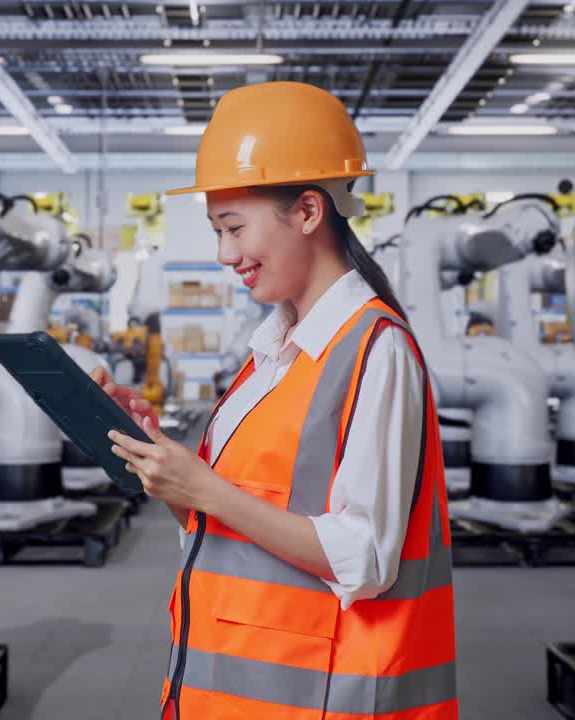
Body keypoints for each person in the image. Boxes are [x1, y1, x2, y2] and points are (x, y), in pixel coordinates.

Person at [96, 81, 457, 719]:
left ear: (310, 211)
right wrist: (166, 466)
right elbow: (227, 527)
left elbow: (365, 558)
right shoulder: (272, 354)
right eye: (216, 231)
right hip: (234, 693)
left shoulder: (376, 350)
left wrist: (203, 488)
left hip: (322, 696)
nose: (224, 254)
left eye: (234, 228)